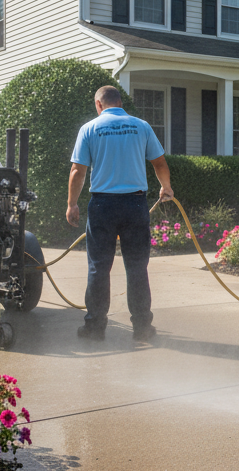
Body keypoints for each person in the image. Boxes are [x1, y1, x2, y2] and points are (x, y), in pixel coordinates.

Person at [67, 86, 174, 342]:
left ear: (98, 104)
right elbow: (159, 163)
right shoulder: (141, 126)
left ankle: (94, 328)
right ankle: (142, 328)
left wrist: (72, 204)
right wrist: (166, 187)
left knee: (98, 268)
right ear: (120, 102)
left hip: (102, 206)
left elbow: (77, 171)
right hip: (134, 205)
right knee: (137, 267)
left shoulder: (90, 128)